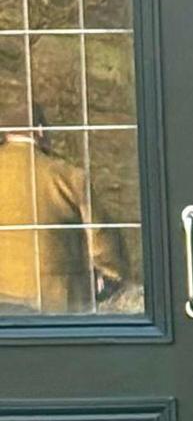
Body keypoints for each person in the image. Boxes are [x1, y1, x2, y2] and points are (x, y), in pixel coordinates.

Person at [0, 71, 130, 315]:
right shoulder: (67, 175)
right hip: (55, 304)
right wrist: (110, 278)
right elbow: (102, 240)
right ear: (39, 131)